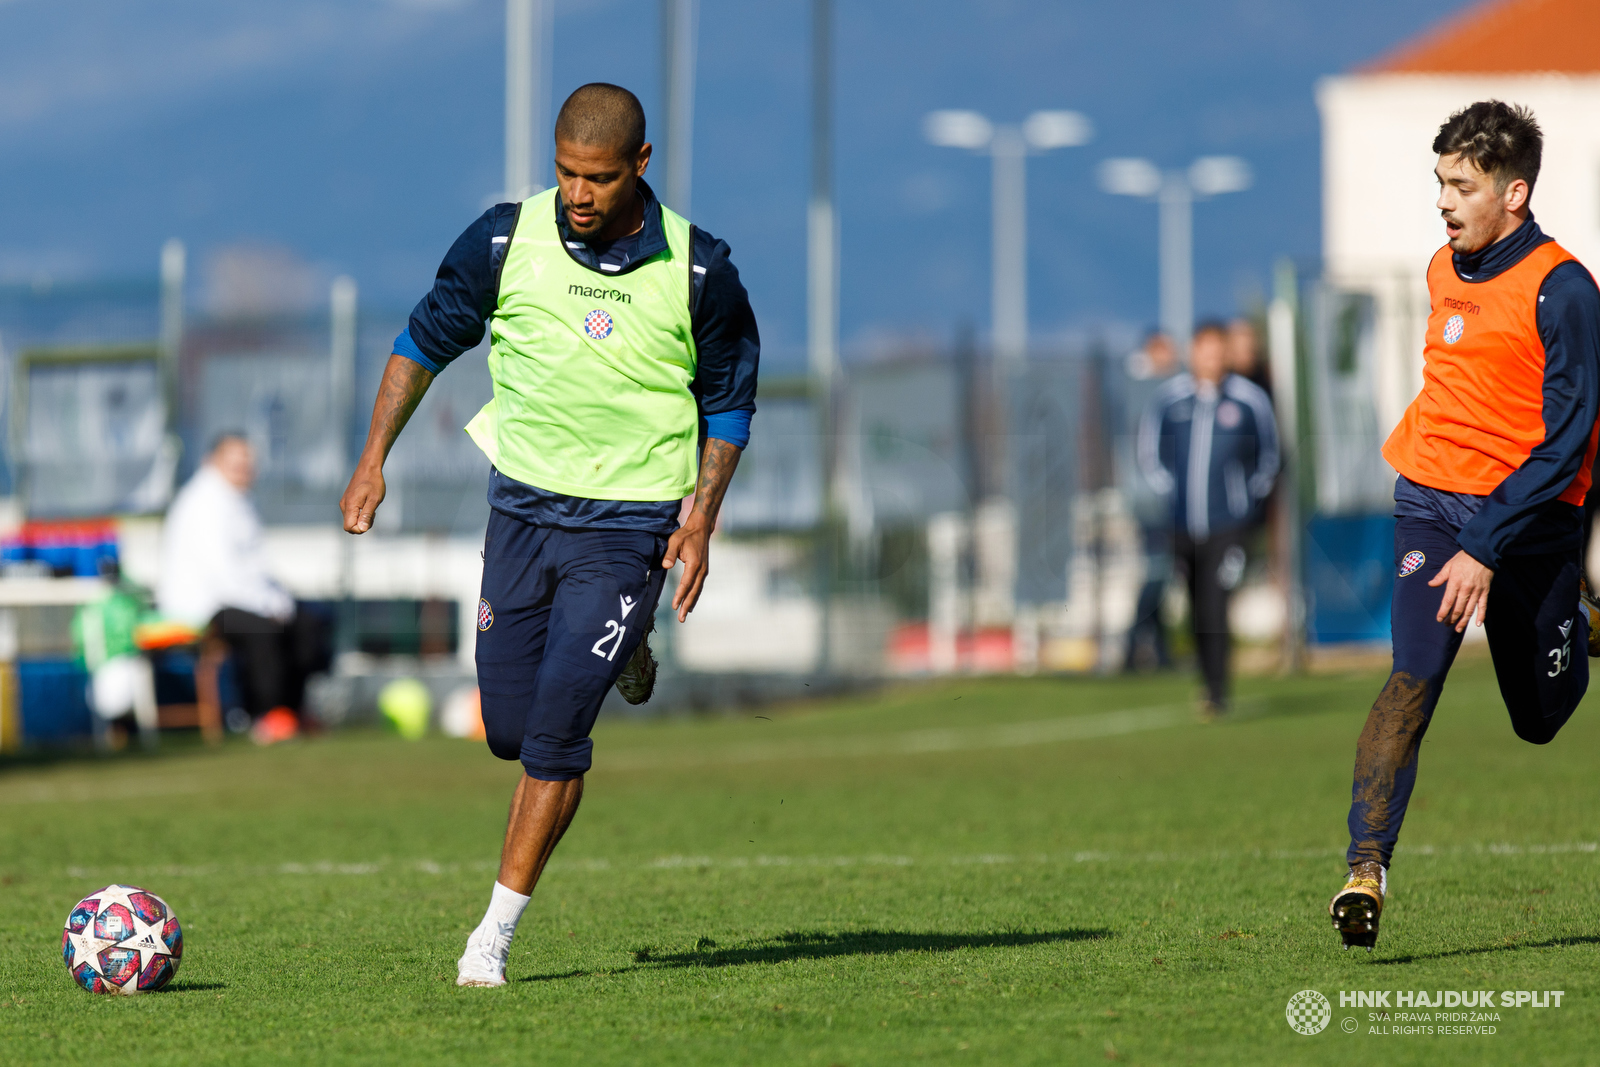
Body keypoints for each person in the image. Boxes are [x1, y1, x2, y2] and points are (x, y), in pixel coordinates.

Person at [338, 83, 758, 987]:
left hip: (630, 525)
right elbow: (420, 344)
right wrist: (373, 458)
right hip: (522, 513)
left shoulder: (699, 272)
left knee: (557, 736)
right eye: (566, 172)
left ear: (639, 167)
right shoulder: (502, 240)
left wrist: (701, 519)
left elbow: (726, 403)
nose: (577, 194)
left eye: (598, 178)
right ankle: (629, 647)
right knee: (510, 728)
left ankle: (491, 935)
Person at [1328, 101, 1600, 952]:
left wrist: (1490, 542)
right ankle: (1364, 870)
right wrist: (1460, 533)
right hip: (1432, 504)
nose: (1444, 201)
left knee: (1539, 716)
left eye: (1463, 185)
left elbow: (1568, 442)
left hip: (1528, 524)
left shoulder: (1566, 291)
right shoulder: (1445, 267)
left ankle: (1582, 623)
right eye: (1439, 182)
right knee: (1416, 673)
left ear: (1514, 192)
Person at [1138, 321, 1279, 713]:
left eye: (1218, 352)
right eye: (1204, 351)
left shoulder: (1248, 401)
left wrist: (1245, 503)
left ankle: (1217, 690)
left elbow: (1268, 458)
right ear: (1193, 353)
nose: (1211, 359)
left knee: (1217, 602)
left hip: (1229, 527)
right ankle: (1206, 681)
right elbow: (1150, 455)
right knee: (1197, 604)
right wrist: (1171, 492)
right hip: (1182, 525)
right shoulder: (1170, 401)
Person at [158, 434, 326, 744]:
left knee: (308, 621)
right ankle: (266, 713)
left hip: (237, 599)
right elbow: (221, 573)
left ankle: (293, 709)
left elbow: (257, 568)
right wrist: (268, 605)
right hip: (201, 605)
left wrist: (279, 601)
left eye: (248, 463)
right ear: (213, 462)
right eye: (235, 463)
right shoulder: (202, 503)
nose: (244, 469)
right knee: (262, 628)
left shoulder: (239, 500)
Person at [1122, 330, 1180, 671]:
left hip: (1160, 496)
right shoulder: (1144, 390)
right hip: (1148, 497)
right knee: (1157, 569)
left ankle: (1159, 649)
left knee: (1163, 570)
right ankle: (1133, 643)